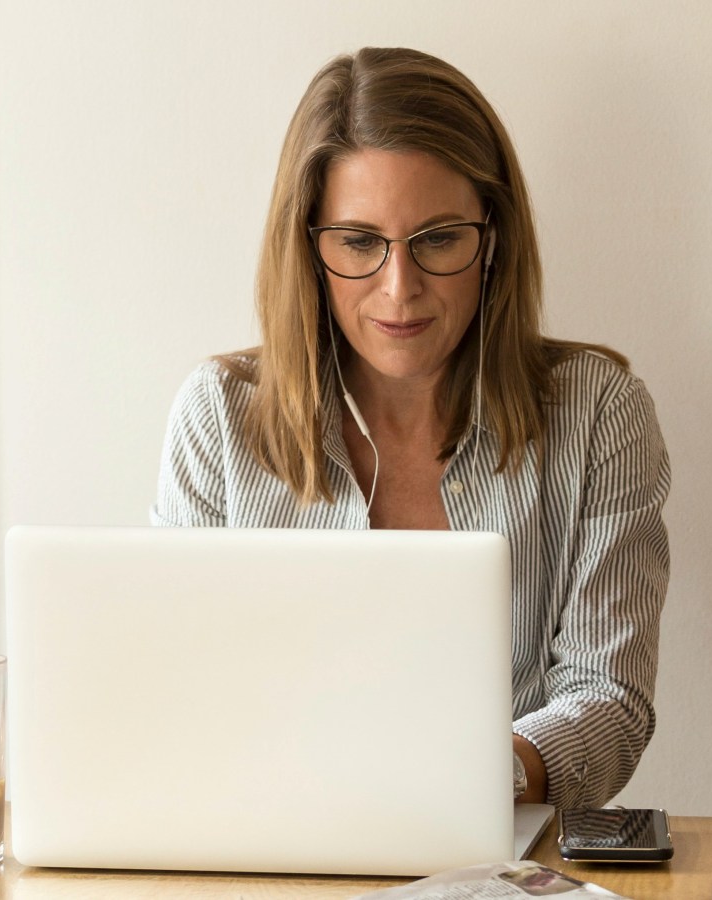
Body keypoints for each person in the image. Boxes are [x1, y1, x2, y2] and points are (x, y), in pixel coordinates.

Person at [150, 47, 669, 811]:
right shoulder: (218, 416)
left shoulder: (598, 413)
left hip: (499, 855)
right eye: (359, 243)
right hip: (267, 847)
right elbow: (178, 689)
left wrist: (475, 780)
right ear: (309, 248)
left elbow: (610, 699)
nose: (400, 289)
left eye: (437, 239)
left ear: (492, 236)